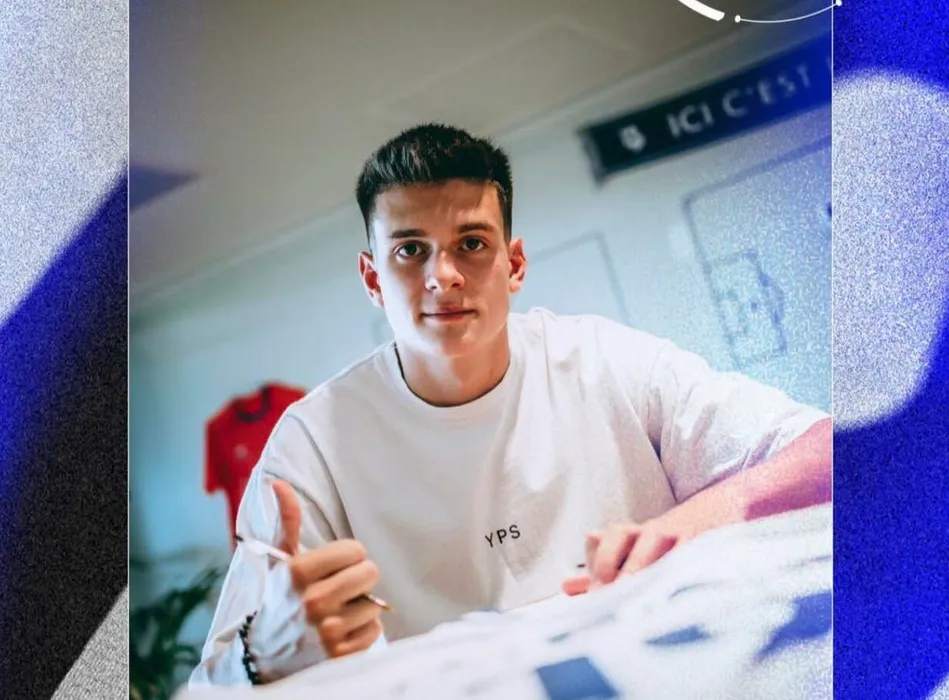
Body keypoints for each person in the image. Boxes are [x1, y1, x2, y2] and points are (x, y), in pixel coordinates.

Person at [190, 123, 831, 686]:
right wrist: (261, 654)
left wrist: (690, 525)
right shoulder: (312, 442)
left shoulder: (605, 359)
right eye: (410, 250)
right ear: (372, 278)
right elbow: (207, 686)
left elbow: (833, 450)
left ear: (514, 263)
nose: (443, 275)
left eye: (471, 242)